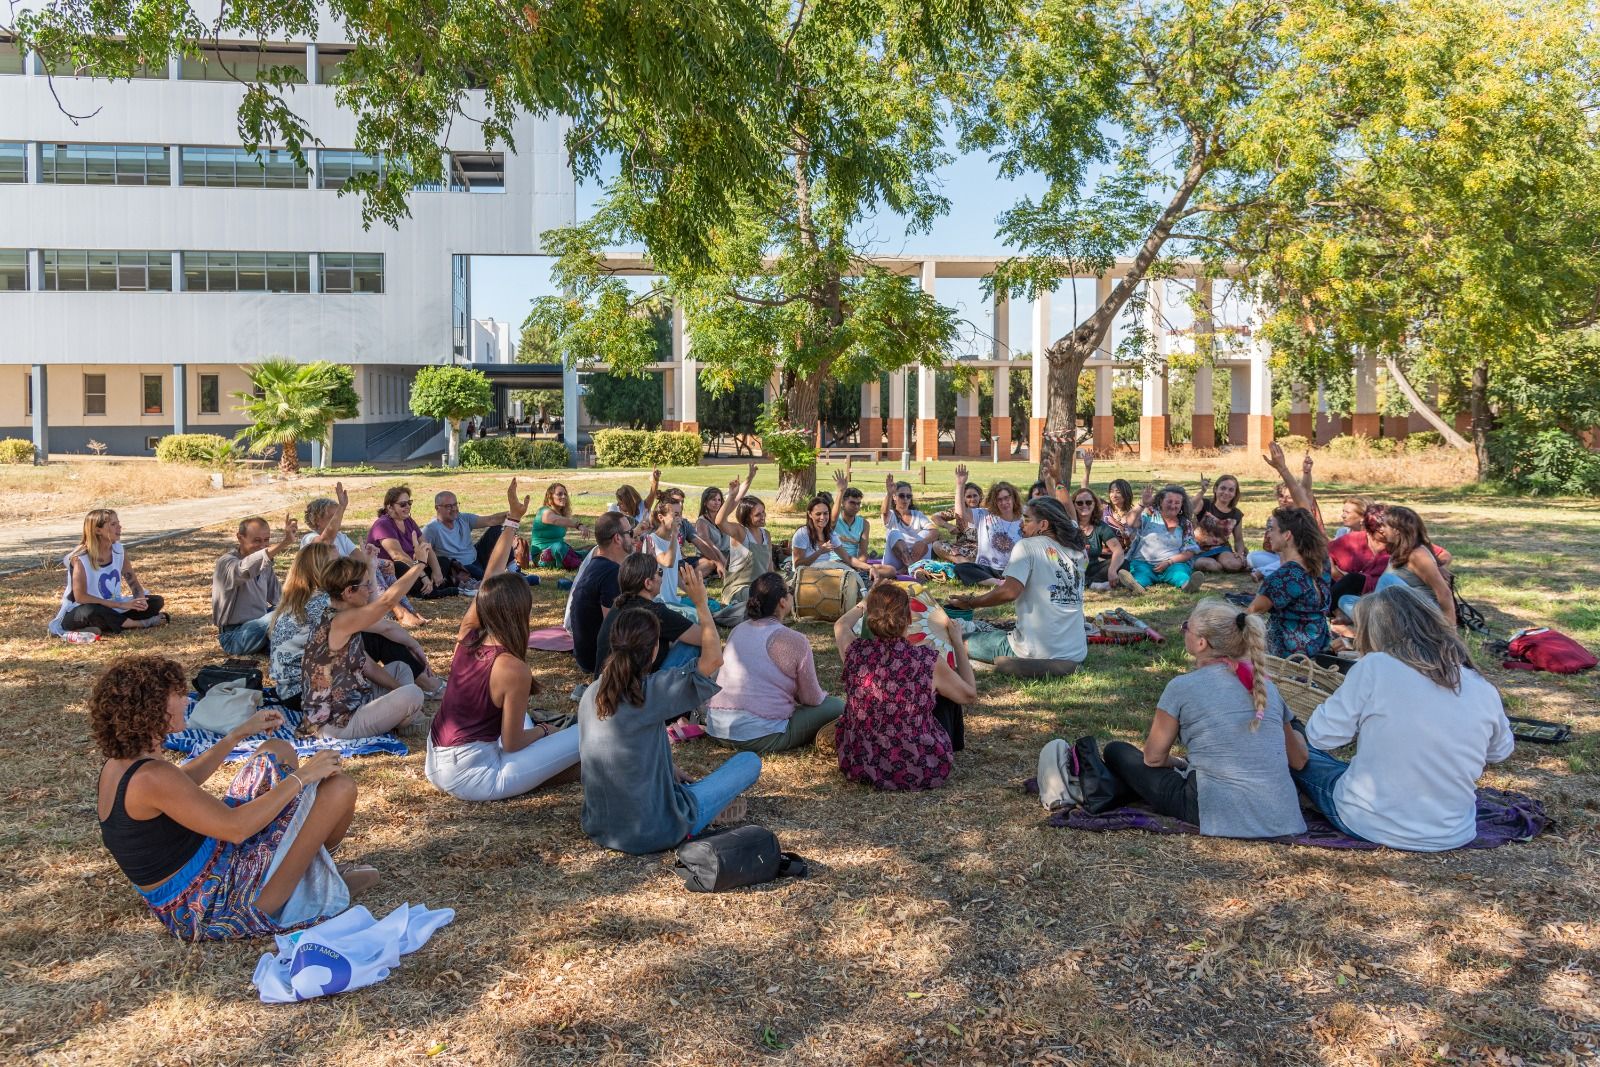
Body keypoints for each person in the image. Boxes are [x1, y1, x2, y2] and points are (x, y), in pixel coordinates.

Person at [91, 654, 367, 941]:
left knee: (277, 749)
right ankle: (317, 875)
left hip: (206, 872)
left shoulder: (121, 764)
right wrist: (304, 776)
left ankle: (310, 865)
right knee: (339, 789)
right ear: (151, 708)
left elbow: (182, 782)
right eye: (177, 695)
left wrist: (237, 735)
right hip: (214, 903)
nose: (186, 701)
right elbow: (236, 829)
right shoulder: (151, 777)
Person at [1293, 586, 1514, 851]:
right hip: (1454, 828)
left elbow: (1320, 735)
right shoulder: (1480, 684)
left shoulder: (1375, 666)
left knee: (1298, 750)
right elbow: (1500, 751)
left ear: (1376, 632)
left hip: (1371, 820)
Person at [579, 568, 760, 854]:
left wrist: (668, 768)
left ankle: (683, 793)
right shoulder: (651, 692)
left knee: (678, 777)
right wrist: (701, 603)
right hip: (655, 830)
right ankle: (701, 808)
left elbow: (620, 748)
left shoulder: (592, 693)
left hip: (600, 827)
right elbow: (713, 659)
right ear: (653, 651)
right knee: (749, 762)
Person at [427, 481, 582, 802]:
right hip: (474, 774)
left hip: (436, 757)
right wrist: (545, 731)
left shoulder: (468, 634)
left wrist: (512, 520)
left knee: (528, 722)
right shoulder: (513, 669)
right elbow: (511, 744)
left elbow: (490, 576)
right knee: (589, 733)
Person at [1102, 600, 1309, 838]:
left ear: (1201, 643)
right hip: (1283, 818)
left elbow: (1153, 758)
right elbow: (1299, 761)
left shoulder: (1181, 687)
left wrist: (1181, 763)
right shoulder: (1265, 687)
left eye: (1186, 627)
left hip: (1212, 812)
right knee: (1292, 726)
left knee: (1116, 751)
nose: (1183, 631)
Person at [831, 582, 977, 791]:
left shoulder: (855, 652)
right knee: (945, 694)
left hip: (859, 761)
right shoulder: (927, 660)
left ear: (870, 619)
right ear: (909, 618)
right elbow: (969, 694)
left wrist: (863, 603)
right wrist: (958, 643)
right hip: (919, 765)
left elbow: (841, 625)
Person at [269, 543, 444, 711]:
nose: (343, 566)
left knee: (370, 637)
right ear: (322, 570)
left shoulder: (307, 598)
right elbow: (382, 617)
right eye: (336, 563)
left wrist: (371, 569)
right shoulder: (326, 603)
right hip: (307, 694)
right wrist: (420, 564)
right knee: (377, 638)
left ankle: (420, 687)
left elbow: (373, 613)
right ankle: (428, 686)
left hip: (292, 692)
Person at [706, 573, 844, 753]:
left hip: (716, 728)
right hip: (759, 735)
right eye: (789, 591)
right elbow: (812, 699)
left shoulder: (737, 630)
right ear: (782, 602)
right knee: (837, 706)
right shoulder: (795, 640)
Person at [948, 496, 1090, 668]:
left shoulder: (1027, 546)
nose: (1021, 523)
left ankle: (1000, 663)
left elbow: (1009, 592)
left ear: (1043, 525)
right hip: (1076, 652)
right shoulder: (1077, 550)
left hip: (1032, 652)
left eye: (1027, 519)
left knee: (955, 641)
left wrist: (971, 603)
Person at [301, 557, 430, 740]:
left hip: (356, 700)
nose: (370, 590)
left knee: (401, 668)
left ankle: (404, 719)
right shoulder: (340, 621)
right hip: (337, 724)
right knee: (414, 693)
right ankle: (407, 720)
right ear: (348, 592)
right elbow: (385, 602)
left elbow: (368, 666)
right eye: (366, 586)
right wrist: (420, 565)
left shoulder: (338, 615)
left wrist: (398, 690)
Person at [303, 485, 424, 628]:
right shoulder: (310, 538)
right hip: (331, 585)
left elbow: (360, 557)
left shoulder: (341, 537)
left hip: (347, 580)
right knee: (369, 570)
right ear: (317, 521)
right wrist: (342, 506)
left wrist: (382, 562)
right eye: (333, 516)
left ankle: (407, 609)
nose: (338, 519)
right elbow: (325, 542)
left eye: (339, 515)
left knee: (382, 568)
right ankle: (397, 611)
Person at [49, 509, 169, 637]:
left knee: (156, 601)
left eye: (118, 523)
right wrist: (121, 605)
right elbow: (81, 597)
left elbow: (133, 582)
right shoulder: (80, 558)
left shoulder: (118, 550)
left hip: (114, 607)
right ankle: (142, 623)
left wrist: (140, 599)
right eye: (113, 524)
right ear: (97, 530)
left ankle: (101, 626)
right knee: (92, 611)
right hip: (81, 610)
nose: (119, 527)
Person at [594, 554, 704, 676]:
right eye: (660, 572)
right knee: (691, 645)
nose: (662, 578)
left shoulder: (619, 605)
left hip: (604, 685)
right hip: (637, 690)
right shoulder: (654, 612)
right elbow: (706, 638)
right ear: (648, 583)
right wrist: (700, 602)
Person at [1249, 506, 1331, 658]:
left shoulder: (1284, 577)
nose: (1268, 535)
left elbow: (1250, 614)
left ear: (1287, 535)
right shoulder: (1323, 563)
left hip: (1289, 657)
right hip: (1318, 647)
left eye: (1272, 529)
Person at [212, 514, 298, 655]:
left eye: (266, 540)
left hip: (260, 625)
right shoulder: (226, 563)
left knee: (291, 610)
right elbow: (244, 569)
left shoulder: (265, 565)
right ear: (240, 538)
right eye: (257, 541)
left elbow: (281, 599)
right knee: (275, 616)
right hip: (235, 636)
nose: (263, 546)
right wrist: (284, 543)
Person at [569, 511, 636, 675]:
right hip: (599, 662)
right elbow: (614, 627)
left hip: (586, 656)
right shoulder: (611, 573)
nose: (634, 538)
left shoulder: (597, 564)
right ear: (617, 538)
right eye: (630, 533)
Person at [1366, 505, 1455, 624]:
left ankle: (1368, 623)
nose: (1381, 530)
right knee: (1346, 600)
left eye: (1384, 526)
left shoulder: (1418, 555)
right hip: (1401, 610)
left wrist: (1450, 630)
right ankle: (1367, 621)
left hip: (1424, 614)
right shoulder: (1399, 550)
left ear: (1397, 530)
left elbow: (1444, 593)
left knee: (1388, 581)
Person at [367, 486, 455, 599]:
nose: (408, 506)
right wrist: (422, 574)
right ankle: (429, 591)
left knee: (443, 561)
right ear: (390, 507)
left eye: (409, 503)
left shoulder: (408, 520)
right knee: (401, 566)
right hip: (391, 570)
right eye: (403, 504)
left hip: (414, 565)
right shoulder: (383, 525)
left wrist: (437, 571)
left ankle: (432, 587)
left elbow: (426, 546)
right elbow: (398, 555)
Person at [713, 465, 773, 624]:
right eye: (758, 514)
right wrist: (732, 495)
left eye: (763, 512)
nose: (763, 516)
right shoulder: (741, 532)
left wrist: (777, 584)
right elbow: (719, 521)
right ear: (747, 517)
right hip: (738, 591)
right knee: (765, 598)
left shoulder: (766, 535)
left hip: (760, 589)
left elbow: (769, 567)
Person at [1118, 486, 1202, 594]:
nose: (1173, 505)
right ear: (1161, 501)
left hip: (1171, 564)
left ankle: (1188, 586)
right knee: (1141, 574)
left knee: (1180, 573)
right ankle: (1136, 586)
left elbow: (1189, 552)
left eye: (1177, 503)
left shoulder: (1185, 524)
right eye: (1169, 501)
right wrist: (1142, 503)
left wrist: (1168, 562)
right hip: (1144, 563)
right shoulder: (1149, 515)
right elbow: (1130, 522)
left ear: (1182, 505)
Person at [422, 491, 518, 586]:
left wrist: (513, 514)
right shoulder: (431, 529)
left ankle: (513, 569)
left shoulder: (463, 518)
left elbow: (491, 520)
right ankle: (514, 580)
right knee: (490, 582)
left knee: (497, 529)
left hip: (477, 558)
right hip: (462, 568)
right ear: (437, 508)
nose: (454, 508)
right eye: (448, 506)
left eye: (455, 504)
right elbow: (421, 551)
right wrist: (433, 572)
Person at [644, 496, 724, 609]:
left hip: (675, 600)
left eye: (680, 514)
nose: (679, 518)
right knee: (698, 615)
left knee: (712, 605)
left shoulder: (674, 540)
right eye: (675, 515)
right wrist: (674, 535)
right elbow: (667, 562)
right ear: (661, 517)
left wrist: (694, 594)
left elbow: (675, 574)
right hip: (660, 603)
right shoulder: (652, 540)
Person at [950, 464, 1023, 585]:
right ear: (994, 502)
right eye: (999, 500)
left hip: (1013, 569)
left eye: (1007, 498)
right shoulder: (984, 515)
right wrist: (960, 485)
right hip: (987, 569)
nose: (1004, 503)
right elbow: (960, 514)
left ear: (1014, 498)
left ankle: (1004, 581)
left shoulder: (1023, 519)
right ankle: (998, 583)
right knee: (961, 568)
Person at [827, 472, 897, 583]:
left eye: (858, 504)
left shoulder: (864, 524)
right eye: (852, 503)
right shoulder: (834, 520)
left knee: (891, 570)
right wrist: (840, 491)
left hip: (855, 564)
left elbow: (863, 552)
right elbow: (833, 519)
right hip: (835, 563)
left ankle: (858, 576)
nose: (856, 507)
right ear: (843, 503)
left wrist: (859, 566)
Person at [1190, 473, 1248, 574]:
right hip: (1199, 549)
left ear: (1235, 493)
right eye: (1223, 488)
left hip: (1222, 549)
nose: (1226, 492)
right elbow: (1189, 507)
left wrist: (1239, 553)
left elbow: (1238, 540)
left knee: (1234, 564)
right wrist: (1202, 491)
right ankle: (1216, 565)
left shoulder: (1236, 514)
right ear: (1215, 489)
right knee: (1211, 565)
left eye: (1231, 490)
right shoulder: (1205, 504)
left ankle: (1227, 564)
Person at [881, 475, 937, 572]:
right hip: (895, 561)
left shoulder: (917, 515)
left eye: (909, 496)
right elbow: (884, 513)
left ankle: (907, 568)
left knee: (927, 534)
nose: (905, 499)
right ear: (894, 497)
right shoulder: (891, 514)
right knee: (894, 533)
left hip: (917, 557)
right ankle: (911, 567)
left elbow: (935, 531)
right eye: (902, 496)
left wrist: (923, 542)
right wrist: (889, 494)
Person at [526, 483, 588, 570]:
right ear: (550, 497)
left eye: (565, 494)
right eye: (559, 494)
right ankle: (580, 564)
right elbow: (556, 520)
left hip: (560, 552)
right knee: (559, 547)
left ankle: (580, 560)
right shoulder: (544, 511)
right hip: (542, 555)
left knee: (590, 550)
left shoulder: (561, 514)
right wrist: (578, 525)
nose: (564, 497)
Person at [791, 495, 848, 572]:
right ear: (810, 514)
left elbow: (848, 558)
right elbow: (797, 565)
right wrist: (820, 552)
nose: (822, 517)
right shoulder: (802, 533)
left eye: (825, 513)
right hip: (804, 577)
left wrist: (868, 567)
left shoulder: (830, 533)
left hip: (824, 574)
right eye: (818, 514)